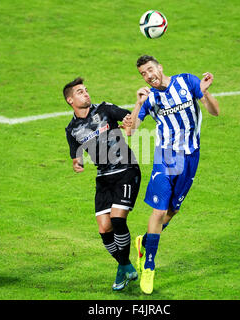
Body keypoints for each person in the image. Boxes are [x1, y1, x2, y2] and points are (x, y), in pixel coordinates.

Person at [127, 55, 220, 294]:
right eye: (143, 74)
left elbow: (215, 111)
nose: (148, 76)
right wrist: (138, 104)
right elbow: (130, 131)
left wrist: (206, 92)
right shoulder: (150, 98)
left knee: (172, 210)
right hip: (165, 157)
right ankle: (149, 265)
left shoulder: (186, 82)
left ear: (160, 67)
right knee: (159, 210)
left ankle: (144, 242)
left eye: (150, 70)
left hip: (190, 157)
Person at [64, 77, 141, 291]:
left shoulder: (105, 109)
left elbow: (130, 121)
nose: (86, 93)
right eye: (80, 92)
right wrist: (77, 164)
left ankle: (125, 266)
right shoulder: (71, 129)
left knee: (117, 218)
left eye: (86, 90)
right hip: (103, 178)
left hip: (126, 169)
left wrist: (137, 106)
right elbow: (75, 157)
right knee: (104, 228)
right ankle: (124, 266)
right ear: (70, 100)